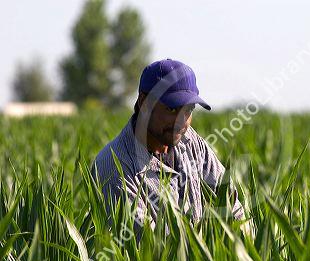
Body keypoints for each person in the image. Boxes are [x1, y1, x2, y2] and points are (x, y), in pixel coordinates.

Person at [92, 59, 244, 229]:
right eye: (172, 109)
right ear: (144, 102)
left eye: (189, 110)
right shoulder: (115, 167)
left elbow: (232, 208)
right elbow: (143, 244)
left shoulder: (191, 142)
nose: (181, 122)